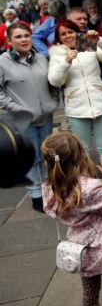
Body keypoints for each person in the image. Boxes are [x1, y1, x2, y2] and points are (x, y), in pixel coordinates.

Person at [41, 132, 102, 306]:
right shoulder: (89, 188)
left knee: (90, 295)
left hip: (81, 251)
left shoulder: (50, 189)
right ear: (79, 157)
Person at [0, 22, 59, 212]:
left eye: (26, 35)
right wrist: (18, 109)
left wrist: (54, 101)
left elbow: (53, 81)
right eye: (18, 37)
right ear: (9, 41)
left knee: (47, 156)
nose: (24, 39)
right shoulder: (2, 62)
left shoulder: (42, 58)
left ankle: (49, 191)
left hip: (46, 118)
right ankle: (36, 196)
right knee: (31, 158)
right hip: (23, 120)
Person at [47, 20, 102, 160]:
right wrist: (66, 62)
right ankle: (86, 179)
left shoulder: (86, 43)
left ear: (76, 32)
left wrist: (99, 40)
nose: (68, 36)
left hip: (100, 102)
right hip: (76, 107)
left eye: (70, 32)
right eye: (63, 34)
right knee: (83, 147)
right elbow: (55, 81)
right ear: (59, 38)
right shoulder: (57, 53)